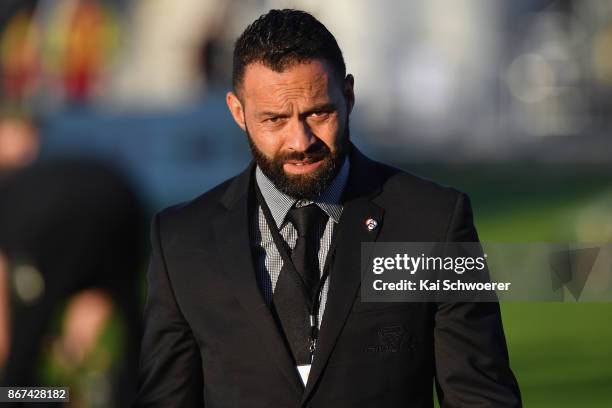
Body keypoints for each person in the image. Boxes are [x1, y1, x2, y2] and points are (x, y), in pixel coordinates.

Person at [135, 9, 521, 407]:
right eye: (274, 119)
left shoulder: (435, 221)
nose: (300, 141)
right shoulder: (180, 240)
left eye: (318, 113)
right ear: (238, 112)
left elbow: (482, 396)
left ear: (349, 96)